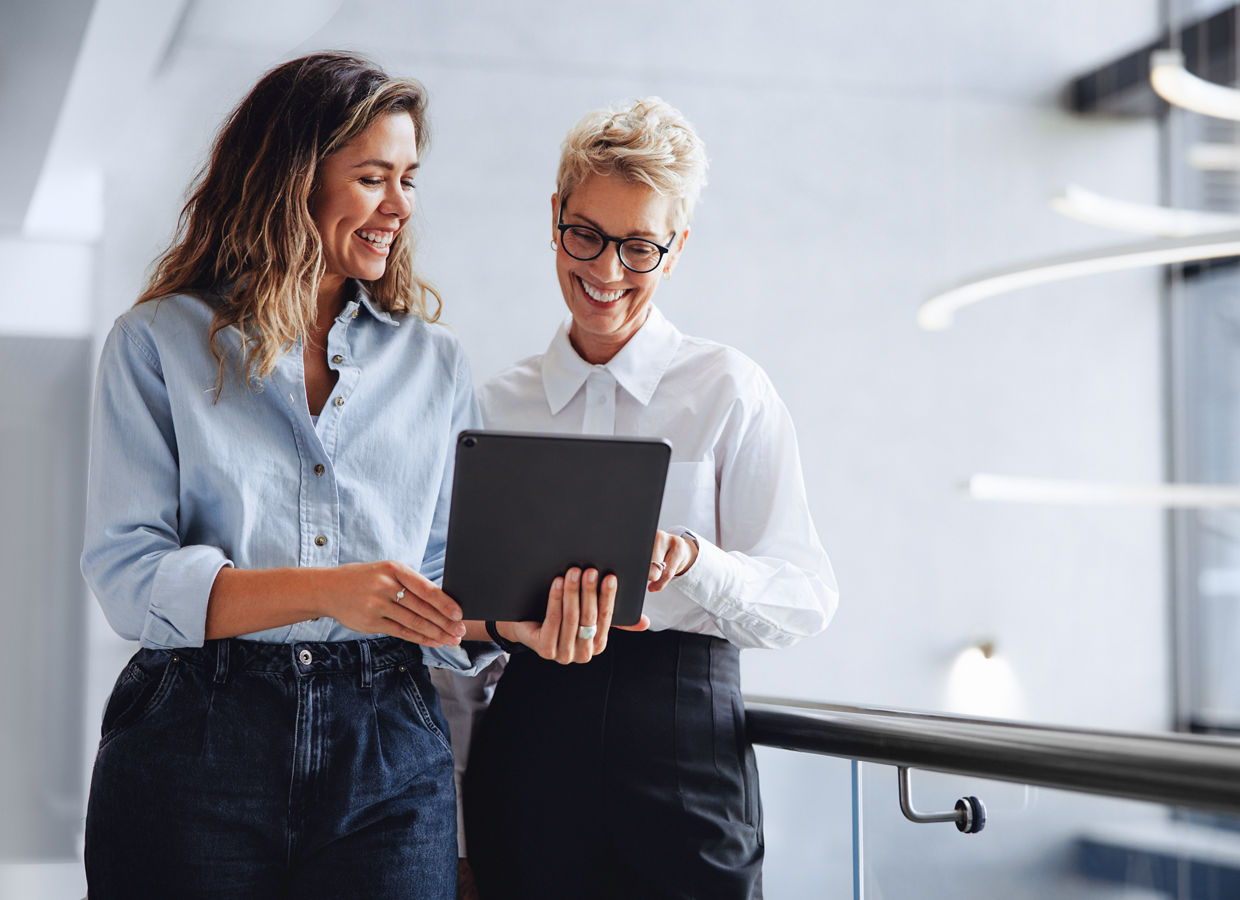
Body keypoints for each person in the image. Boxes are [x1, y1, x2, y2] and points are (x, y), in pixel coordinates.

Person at [80, 52, 618, 900]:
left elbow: (441, 579)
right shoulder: (155, 343)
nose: (400, 207)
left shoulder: (434, 363)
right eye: (373, 178)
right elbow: (128, 575)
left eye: (408, 178)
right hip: (195, 742)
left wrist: (515, 625)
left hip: (389, 745)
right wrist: (328, 590)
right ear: (291, 180)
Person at [440, 97, 839, 900]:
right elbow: (450, 630)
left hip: (685, 741)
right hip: (526, 750)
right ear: (554, 218)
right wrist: (452, 826)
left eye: (640, 247)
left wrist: (694, 561)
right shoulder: (488, 408)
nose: (606, 271)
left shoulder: (730, 390)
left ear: (677, 247)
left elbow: (805, 601)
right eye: (585, 234)